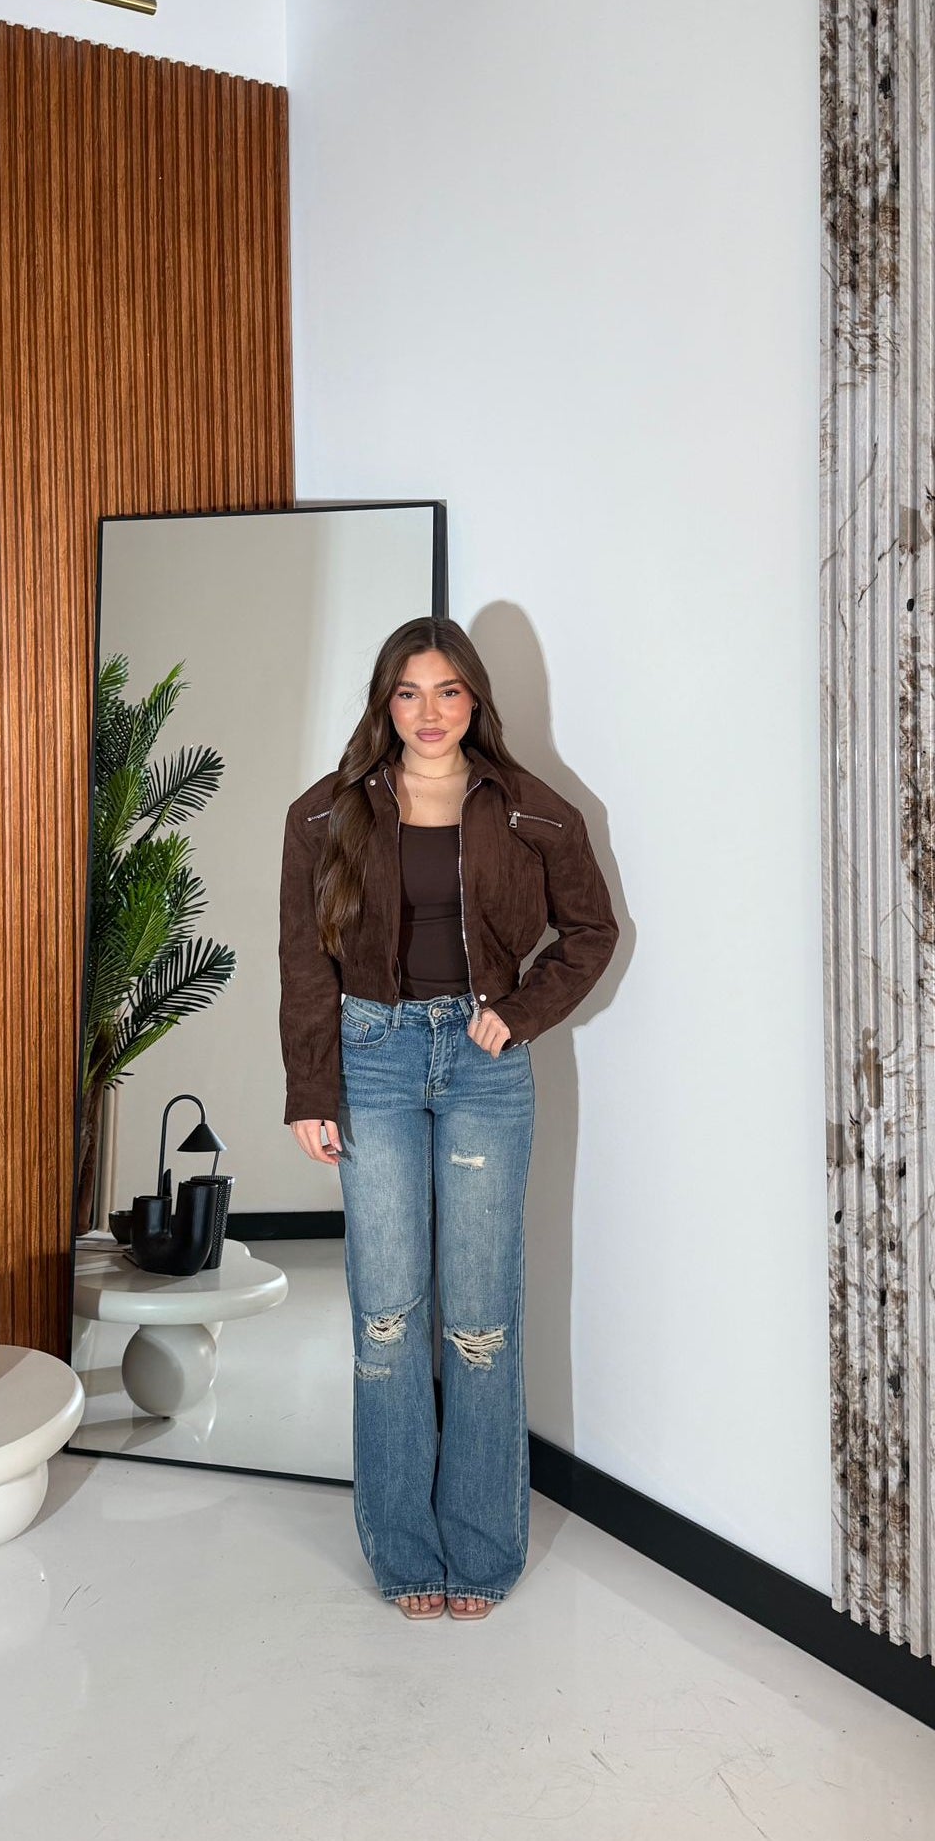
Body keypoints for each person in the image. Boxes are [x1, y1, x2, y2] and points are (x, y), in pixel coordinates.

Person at [278, 615, 618, 1621]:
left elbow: (592, 931)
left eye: (448, 691)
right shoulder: (324, 814)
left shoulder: (532, 810)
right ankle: (403, 1551)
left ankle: (481, 1547)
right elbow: (305, 960)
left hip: (482, 1068)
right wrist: (311, 1088)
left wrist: (519, 1014)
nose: (430, 713)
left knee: (479, 1321)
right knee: (386, 1319)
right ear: (385, 704)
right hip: (372, 1058)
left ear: (475, 700)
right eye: (409, 692)